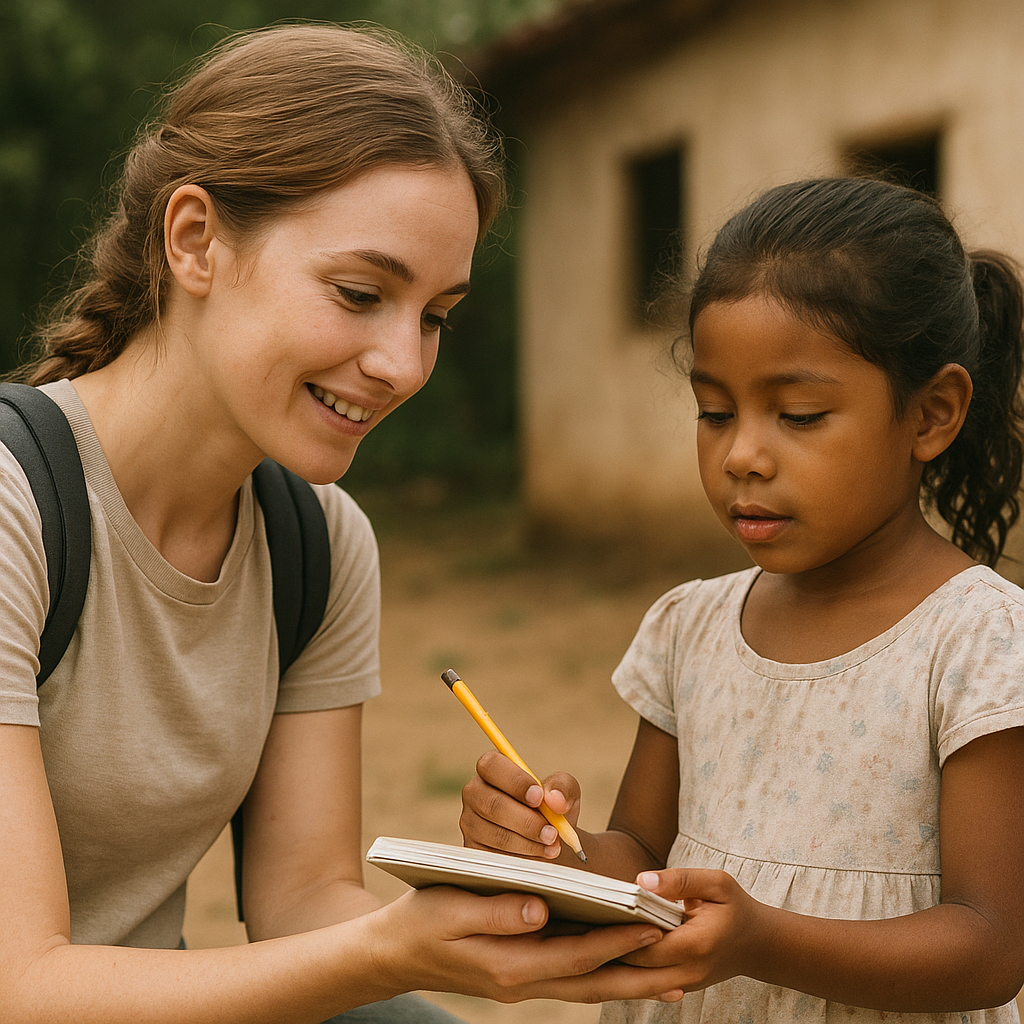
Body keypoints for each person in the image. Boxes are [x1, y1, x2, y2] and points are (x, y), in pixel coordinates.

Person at [0, 22, 690, 1023]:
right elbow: (22, 984)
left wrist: (498, 917)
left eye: (434, 316)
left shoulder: (316, 540)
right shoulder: (18, 506)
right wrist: (389, 947)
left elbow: (299, 899)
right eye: (360, 293)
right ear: (193, 239)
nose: (403, 364)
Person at [460, 176, 1024, 1022]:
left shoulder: (977, 643)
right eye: (715, 412)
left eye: (797, 415)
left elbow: (988, 949)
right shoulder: (692, 627)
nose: (742, 456)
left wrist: (764, 939)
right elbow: (645, 857)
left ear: (932, 415)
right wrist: (554, 850)